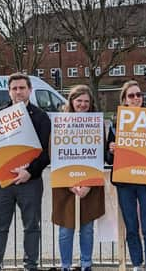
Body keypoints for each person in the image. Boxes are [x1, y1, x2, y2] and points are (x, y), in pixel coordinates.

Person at [0, 73, 52, 271]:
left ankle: (30, 265)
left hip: (30, 181)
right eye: (14, 88)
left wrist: (29, 172)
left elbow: (46, 153)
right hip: (4, 182)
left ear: (29, 90)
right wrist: (0, 166)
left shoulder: (41, 117)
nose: (18, 92)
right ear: (9, 91)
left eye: (22, 88)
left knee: (31, 226)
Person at [106, 80, 146, 271]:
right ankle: (136, 263)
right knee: (131, 227)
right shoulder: (116, 124)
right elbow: (109, 158)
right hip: (125, 181)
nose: (136, 98)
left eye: (139, 95)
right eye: (131, 95)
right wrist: (111, 150)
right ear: (124, 100)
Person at [52, 85, 105, 271]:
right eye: (79, 101)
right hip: (65, 185)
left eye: (86, 101)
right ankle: (65, 265)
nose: (82, 104)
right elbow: (56, 155)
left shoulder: (97, 125)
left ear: (91, 104)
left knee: (87, 229)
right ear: (71, 102)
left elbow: (100, 155)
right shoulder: (60, 124)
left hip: (90, 184)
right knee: (66, 229)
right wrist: (70, 185)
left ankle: (86, 264)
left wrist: (88, 184)